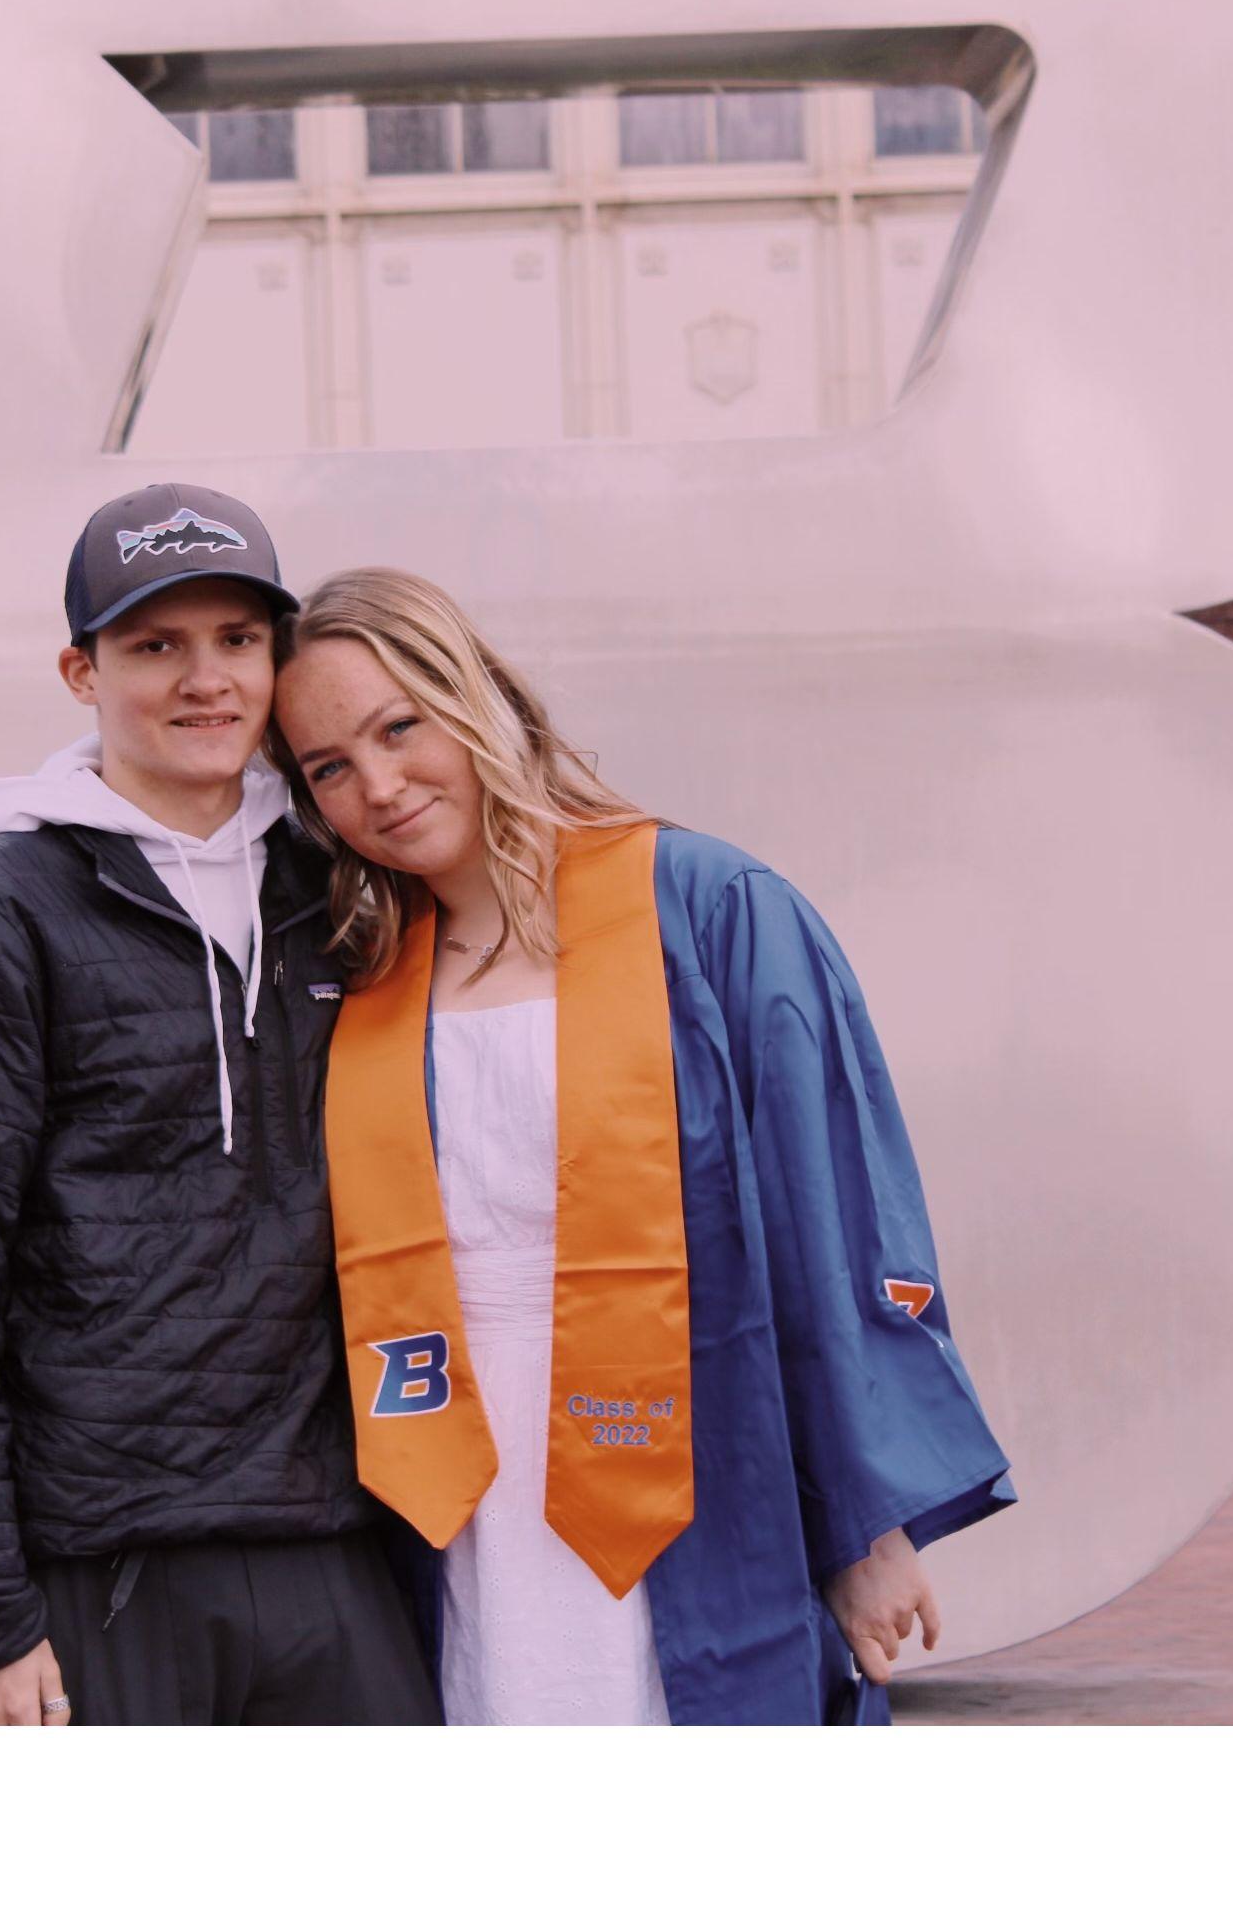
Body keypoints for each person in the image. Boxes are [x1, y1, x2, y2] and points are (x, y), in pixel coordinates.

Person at [270, 567, 1013, 1726]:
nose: (378, 785)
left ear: (478, 698)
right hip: (451, 1489)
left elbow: (827, 1222)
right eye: (328, 767)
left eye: (400, 727)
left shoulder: (706, 909)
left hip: (697, 1455)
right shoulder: (356, 976)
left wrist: (866, 1529)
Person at [0, 488, 440, 1726]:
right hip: (94, 1575)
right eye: (155, 644)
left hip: (336, 1551)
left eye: (237, 640)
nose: (205, 679)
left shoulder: (347, 891)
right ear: (83, 672)